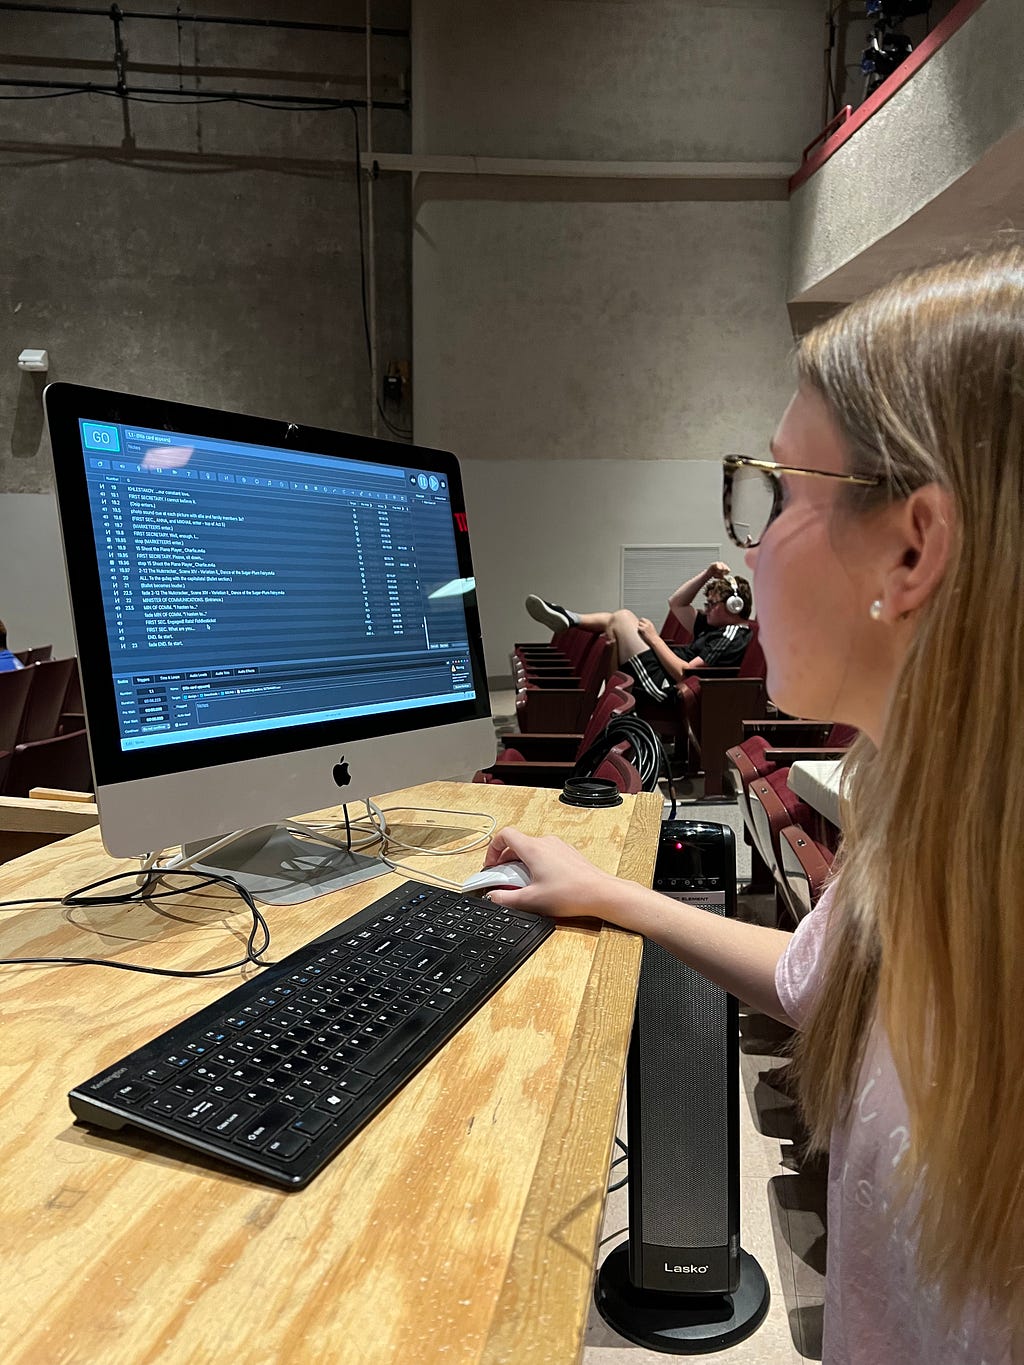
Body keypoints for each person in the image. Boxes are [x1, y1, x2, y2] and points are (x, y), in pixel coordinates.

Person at [486, 248, 1024, 1362]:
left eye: (776, 494)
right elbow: (804, 978)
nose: (752, 538)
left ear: (912, 547)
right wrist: (607, 894)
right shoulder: (923, 831)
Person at [524, 564, 753, 702]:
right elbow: (677, 603)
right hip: (663, 672)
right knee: (615, 621)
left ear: (735, 606)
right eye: (708, 603)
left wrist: (653, 639)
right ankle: (569, 617)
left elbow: (687, 674)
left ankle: (612, 703)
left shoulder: (733, 633)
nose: (707, 608)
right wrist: (708, 573)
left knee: (621, 618)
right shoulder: (714, 626)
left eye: (713, 604)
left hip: (669, 687)